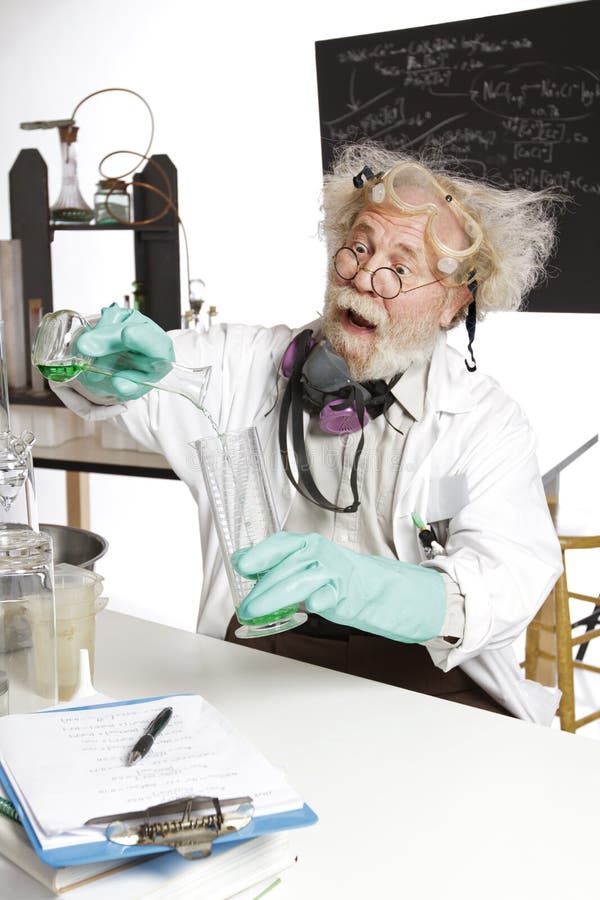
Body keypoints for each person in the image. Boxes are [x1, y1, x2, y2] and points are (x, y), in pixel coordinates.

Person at [53, 144, 564, 724]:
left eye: (400, 267)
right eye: (360, 246)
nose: (367, 278)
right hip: (267, 651)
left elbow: (509, 581)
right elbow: (125, 385)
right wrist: (91, 355)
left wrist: (371, 588)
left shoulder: (485, 422)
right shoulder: (243, 365)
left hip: (427, 674)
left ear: (455, 303)